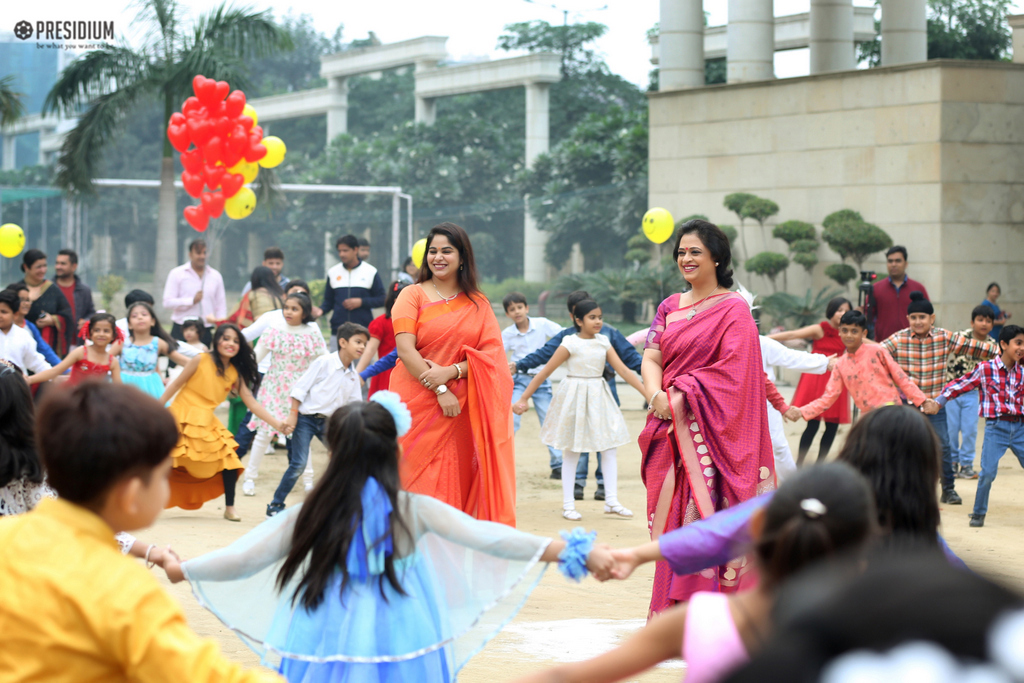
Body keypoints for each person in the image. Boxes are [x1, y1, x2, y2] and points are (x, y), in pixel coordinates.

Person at [163, 394, 614, 681]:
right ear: (395, 448)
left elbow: (243, 559)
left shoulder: (312, 512)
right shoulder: (412, 510)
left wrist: (183, 569)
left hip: (326, 623)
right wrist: (572, 551)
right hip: (406, 624)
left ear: (333, 450)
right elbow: (488, 538)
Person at [0, 381, 284, 683]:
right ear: (132, 493)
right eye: (164, 476)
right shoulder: (123, 590)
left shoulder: (8, 536)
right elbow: (201, 675)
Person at [512, 463, 877, 683]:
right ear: (868, 548)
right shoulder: (888, 634)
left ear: (758, 524)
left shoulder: (699, 621)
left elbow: (563, 678)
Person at [610, 404, 962, 591]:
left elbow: (723, 531)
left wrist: (635, 555)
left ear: (856, 448)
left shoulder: (817, 498)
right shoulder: (926, 546)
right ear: (926, 472)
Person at [639, 219, 776, 615]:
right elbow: (651, 356)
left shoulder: (733, 309)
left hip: (710, 437)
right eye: (681, 252)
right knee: (671, 527)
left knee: (704, 521)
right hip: (668, 430)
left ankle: (710, 614)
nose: (686, 258)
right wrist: (656, 395)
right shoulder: (668, 306)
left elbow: (735, 375)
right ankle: (670, 612)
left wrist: (680, 397)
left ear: (716, 257)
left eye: (695, 251)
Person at [391, 222, 516, 526]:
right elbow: (405, 350)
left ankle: (447, 554)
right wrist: (440, 389)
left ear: (462, 257)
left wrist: (450, 372)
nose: (438, 257)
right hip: (415, 403)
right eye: (433, 251)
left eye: (447, 250)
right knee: (410, 480)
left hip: (459, 411)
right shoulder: (412, 295)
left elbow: (493, 359)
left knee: (454, 481)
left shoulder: (478, 303)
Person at [514, 298, 646, 520]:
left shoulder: (604, 341)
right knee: (572, 450)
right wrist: (523, 398)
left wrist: (648, 394)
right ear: (578, 320)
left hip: (599, 395)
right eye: (592, 318)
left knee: (609, 447)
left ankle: (611, 501)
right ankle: (568, 505)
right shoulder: (569, 343)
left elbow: (623, 370)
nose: (598, 322)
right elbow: (545, 372)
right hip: (574, 395)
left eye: (600, 317)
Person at [159, 323, 288, 522]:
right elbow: (176, 384)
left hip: (206, 419)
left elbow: (251, 402)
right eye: (226, 338)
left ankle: (230, 508)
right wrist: (157, 409)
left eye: (236, 341)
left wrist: (277, 423)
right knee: (161, 460)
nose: (231, 344)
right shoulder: (200, 359)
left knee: (229, 459)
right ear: (217, 340)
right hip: (181, 414)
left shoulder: (236, 371)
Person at [880, 291, 998, 506]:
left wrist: (1007, 350)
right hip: (906, 405)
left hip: (935, 405)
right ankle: (900, 490)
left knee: (943, 446)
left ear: (931, 319)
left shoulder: (944, 337)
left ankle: (948, 490)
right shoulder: (898, 339)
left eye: (922, 317)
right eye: (913, 317)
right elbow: (875, 355)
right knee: (903, 447)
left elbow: (975, 347)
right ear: (908, 319)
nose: (918, 321)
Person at [266, 321, 368, 517]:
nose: (362, 347)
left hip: (330, 424)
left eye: (364, 343)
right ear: (343, 342)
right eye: (358, 342)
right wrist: (293, 415)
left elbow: (355, 406)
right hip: (305, 419)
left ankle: (343, 505)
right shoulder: (324, 363)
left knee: (346, 460)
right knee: (299, 464)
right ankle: (275, 505)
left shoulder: (353, 376)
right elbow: (299, 389)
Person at [937, 324, 1024, 528]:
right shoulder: (986, 369)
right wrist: (939, 401)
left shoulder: (1022, 372)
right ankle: (978, 514)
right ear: (1003, 344)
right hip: (996, 429)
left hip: (1020, 429)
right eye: (1018, 343)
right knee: (987, 473)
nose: (1022, 348)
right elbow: (961, 383)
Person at [242, 293, 327, 497]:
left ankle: (308, 480)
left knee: (301, 436)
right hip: (273, 387)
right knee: (263, 434)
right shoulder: (274, 330)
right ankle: (249, 478)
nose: (288, 312)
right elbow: (256, 357)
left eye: (294, 309)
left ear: (305, 312)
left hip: (300, 393)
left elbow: (322, 363)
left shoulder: (312, 333)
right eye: (286, 307)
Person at [784, 310, 938, 423]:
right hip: (868, 419)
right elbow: (828, 398)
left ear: (863, 333)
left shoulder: (878, 351)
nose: (849, 335)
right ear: (839, 332)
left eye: (854, 331)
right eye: (845, 331)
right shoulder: (840, 365)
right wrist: (802, 411)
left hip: (892, 412)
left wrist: (923, 401)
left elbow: (901, 378)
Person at [235, 280, 319, 459]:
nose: (290, 310)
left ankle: (295, 468)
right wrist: (227, 344)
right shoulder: (271, 318)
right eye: (292, 296)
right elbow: (246, 335)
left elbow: (319, 358)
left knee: (294, 428)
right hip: (267, 378)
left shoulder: (311, 328)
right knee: (254, 421)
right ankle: (233, 462)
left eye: (302, 295)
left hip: (298, 385)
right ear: (284, 297)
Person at [769, 296, 852, 465]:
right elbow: (793, 334)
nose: (843, 314)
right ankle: (799, 463)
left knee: (831, 427)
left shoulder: (848, 331)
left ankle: (820, 466)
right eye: (839, 310)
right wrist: (763, 338)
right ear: (831, 311)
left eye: (846, 310)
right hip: (815, 379)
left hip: (836, 381)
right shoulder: (819, 329)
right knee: (812, 424)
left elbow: (865, 343)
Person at [502, 291, 565, 479]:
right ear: (507, 314)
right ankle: (503, 461)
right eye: (512, 309)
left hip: (541, 380)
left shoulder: (542, 324)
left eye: (519, 307)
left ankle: (558, 464)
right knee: (511, 420)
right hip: (519, 380)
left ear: (527, 308)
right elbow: (497, 354)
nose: (517, 312)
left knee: (548, 420)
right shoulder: (507, 334)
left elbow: (564, 336)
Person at [944, 305, 996, 479]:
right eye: (980, 320)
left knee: (970, 429)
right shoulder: (960, 337)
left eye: (988, 321)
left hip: (973, 393)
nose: (984, 324)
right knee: (951, 429)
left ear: (992, 325)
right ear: (972, 322)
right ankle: (951, 462)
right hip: (952, 390)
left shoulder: (993, 346)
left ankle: (966, 464)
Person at [321, 234, 385, 343]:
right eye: (339, 251)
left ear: (355, 250)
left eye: (345, 250)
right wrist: (320, 310)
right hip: (338, 333)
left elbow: (382, 299)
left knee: (362, 361)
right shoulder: (333, 272)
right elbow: (328, 302)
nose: (342, 254)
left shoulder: (370, 271)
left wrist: (361, 302)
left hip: (362, 331)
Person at [162, 239, 226, 347]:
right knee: (176, 362)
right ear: (190, 254)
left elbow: (221, 305)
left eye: (205, 252)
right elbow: (167, 302)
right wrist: (191, 301)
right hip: (182, 328)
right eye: (198, 252)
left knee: (204, 362)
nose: (202, 256)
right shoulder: (177, 274)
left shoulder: (216, 276)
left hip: (205, 329)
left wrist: (221, 326)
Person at [118, 302, 189, 398]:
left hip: (151, 389)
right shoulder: (122, 343)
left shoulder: (158, 343)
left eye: (144, 314)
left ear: (152, 321)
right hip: (125, 387)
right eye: (134, 316)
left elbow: (185, 361)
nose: (140, 317)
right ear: (129, 324)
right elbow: (105, 358)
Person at [30, 312, 122, 386]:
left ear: (113, 335)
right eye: (97, 330)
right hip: (72, 399)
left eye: (106, 331)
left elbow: (119, 388)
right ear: (90, 332)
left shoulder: (112, 362)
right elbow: (55, 371)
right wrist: (29, 380)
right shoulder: (81, 352)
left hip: (94, 402)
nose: (101, 334)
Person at [18, 249, 74, 358]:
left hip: (46, 347)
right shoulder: (17, 289)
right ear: (26, 267)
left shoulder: (52, 289)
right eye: (38, 267)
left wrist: (53, 320)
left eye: (45, 266)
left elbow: (68, 315)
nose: (43, 270)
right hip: (20, 345)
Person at [868, 245, 929, 342]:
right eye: (890, 261)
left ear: (906, 264)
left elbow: (928, 318)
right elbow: (868, 318)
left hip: (913, 345)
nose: (893, 264)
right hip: (884, 346)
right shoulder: (875, 289)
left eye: (898, 261)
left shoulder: (918, 288)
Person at [355, 281, 405, 398]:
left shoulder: (415, 323)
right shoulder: (381, 323)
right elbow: (370, 349)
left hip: (404, 372)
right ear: (394, 300)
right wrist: (358, 374)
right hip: (385, 371)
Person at [3, 283, 61, 367]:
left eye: (28, 300)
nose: (26, 303)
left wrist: (64, 369)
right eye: (21, 299)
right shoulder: (4, 327)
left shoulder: (29, 328)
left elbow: (44, 351)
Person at [0, 289, 51, 378]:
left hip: (17, 387)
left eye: (4, 312)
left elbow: (36, 363)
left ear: (15, 314)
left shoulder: (23, 335)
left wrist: (53, 375)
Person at [54, 248, 95, 334]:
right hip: (55, 342)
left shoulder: (84, 290)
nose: (58, 267)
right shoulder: (49, 288)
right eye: (57, 263)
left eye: (63, 264)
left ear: (74, 266)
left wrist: (86, 321)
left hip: (77, 341)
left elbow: (91, 313)